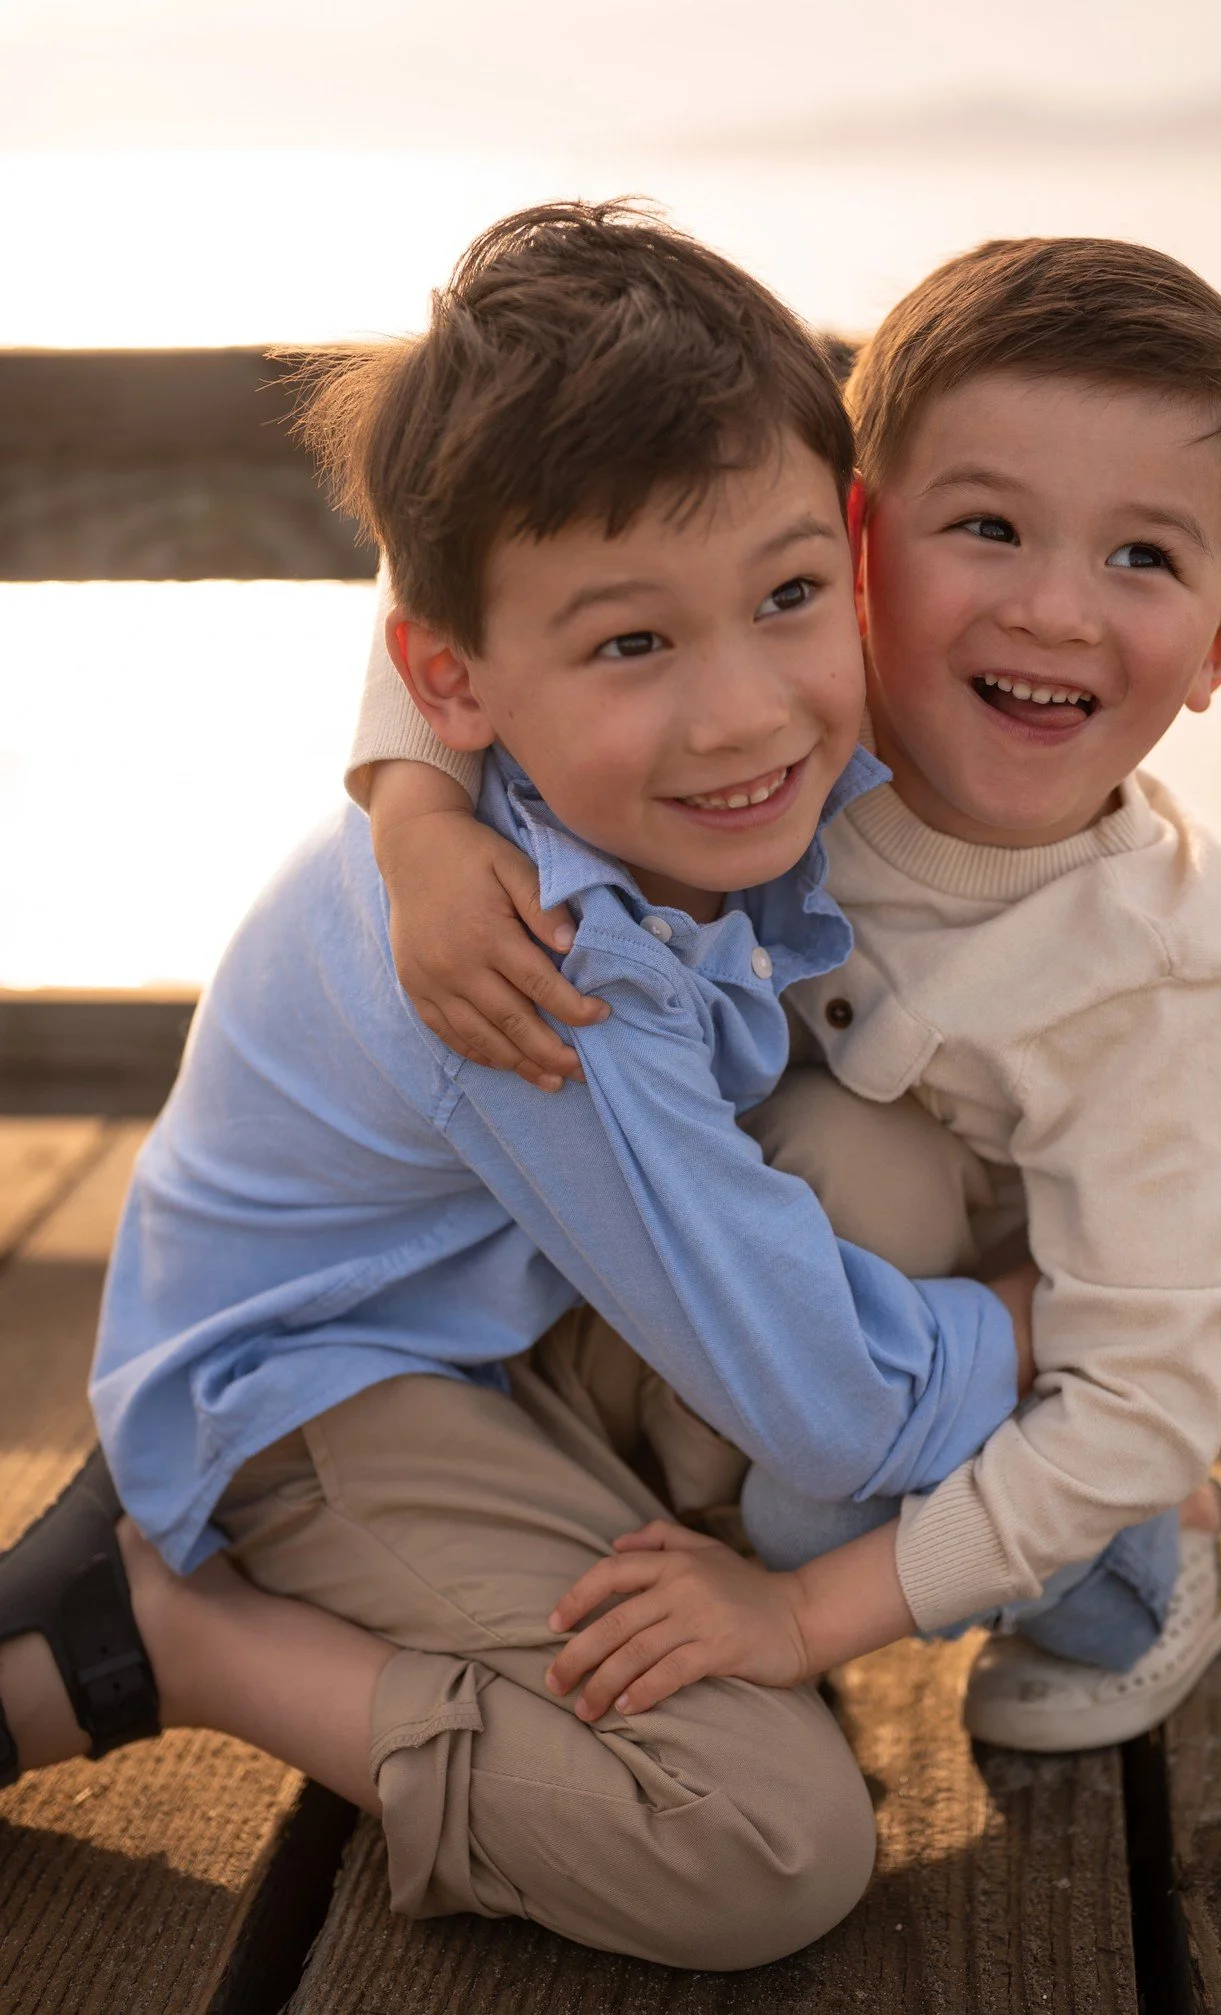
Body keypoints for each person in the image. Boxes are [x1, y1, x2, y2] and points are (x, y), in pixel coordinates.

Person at [0, 202, 1038, 1971]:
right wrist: (1066, 1329)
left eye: (792, 596)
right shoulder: (553, 975)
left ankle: (591, 1545)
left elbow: (454, 593)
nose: (741, 716)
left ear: (847, 549)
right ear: (459, 685)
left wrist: (406, 794)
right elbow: (836, 1414)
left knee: (880, 1177)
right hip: (325, 1390)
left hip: (499, 1308)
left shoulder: (579, 745)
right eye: (633, 645)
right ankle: (175, 1629)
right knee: (766, 1844)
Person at [351, 234, 1221, 1753]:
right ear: (854, 542)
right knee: (820, 1195)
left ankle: (1151, 1561)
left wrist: (799, 1617)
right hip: (796, 1262)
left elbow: (1136, 1399)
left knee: (825, 1485)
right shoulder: (780, 723)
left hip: (1060, 1351)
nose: (1055, 609)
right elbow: (490, 568)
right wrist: (413, 820)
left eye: (1143, 557)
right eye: (987, 524)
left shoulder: (1186, 980)